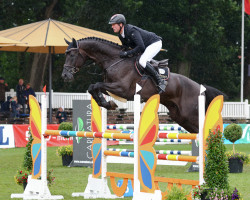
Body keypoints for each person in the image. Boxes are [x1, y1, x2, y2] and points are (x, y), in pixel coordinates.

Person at [108, 14, 166, 93]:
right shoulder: (121, 35)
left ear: (120, 24)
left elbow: (140, 47)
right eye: (112, 25)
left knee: (142, 61)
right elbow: (126, 47)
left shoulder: (131, 30)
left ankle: (161, 81)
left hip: (154, 43)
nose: (112, 27)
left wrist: (126, 53)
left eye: (114, 24)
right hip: (145, 46)